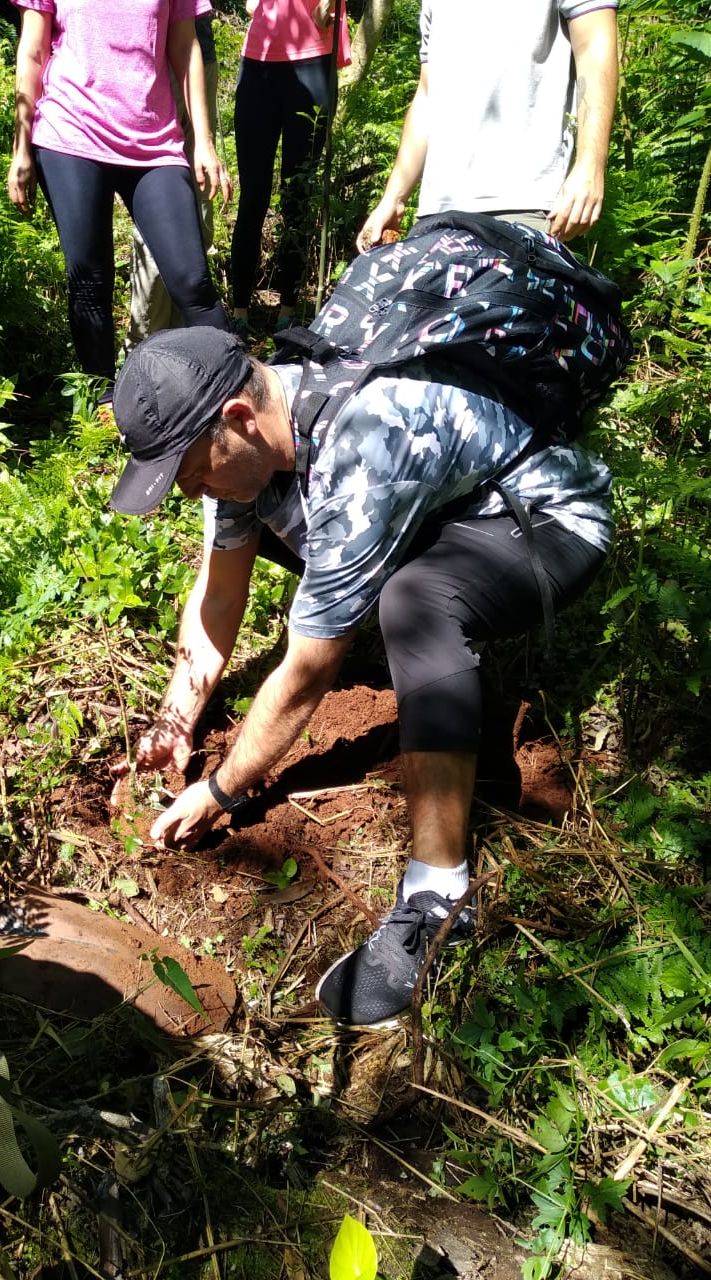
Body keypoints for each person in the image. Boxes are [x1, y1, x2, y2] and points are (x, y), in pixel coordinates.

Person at [107, 326, 612, 1027]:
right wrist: (175, 719)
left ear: (237, 419)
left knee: (414, 603)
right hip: (446, 509)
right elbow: (221, 595)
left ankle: (439, 901)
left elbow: (312, 667)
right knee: (357, 578)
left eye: (190, 471)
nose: (189, 489)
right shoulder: (241, 449)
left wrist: (220, 790)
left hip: (545, 521)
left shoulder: (366, 439)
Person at [7, 0, 232, 383]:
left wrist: (204, 143)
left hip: (155, 142)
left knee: (192, 282)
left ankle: (237, 391)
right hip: (71, 133)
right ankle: (105, 401)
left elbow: (185, 47)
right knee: (89, 281)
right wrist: (21, 146)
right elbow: (33, 49)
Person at [357, 1, 619, 252]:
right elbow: (428, 92)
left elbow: (594, 48)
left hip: (524, 206)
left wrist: (590, 164)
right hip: (437, 215)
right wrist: (394, 197)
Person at [229, 0, 351, 338]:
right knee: (252, 196)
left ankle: (288, 313)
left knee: (298, 196)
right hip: (258, 61)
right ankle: (239, 312)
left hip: (311, 55)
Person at [128, 14, 222, 346]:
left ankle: (192, 343)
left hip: (198, 56)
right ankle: (148, 349)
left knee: (198, 213)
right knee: (159, 220)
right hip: (149, 62)